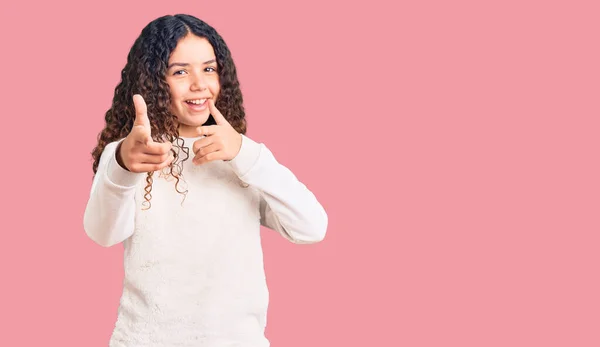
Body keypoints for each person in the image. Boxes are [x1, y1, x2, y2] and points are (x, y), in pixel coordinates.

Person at [83, 13, 328, 347]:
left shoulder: (242, 158)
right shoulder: (136, 153)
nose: (199, 84)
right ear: (153, 81)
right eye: (180, 71)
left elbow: (311, 227)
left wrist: (245, 152)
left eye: (209, 69)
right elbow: (103, 233)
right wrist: (122, 165)